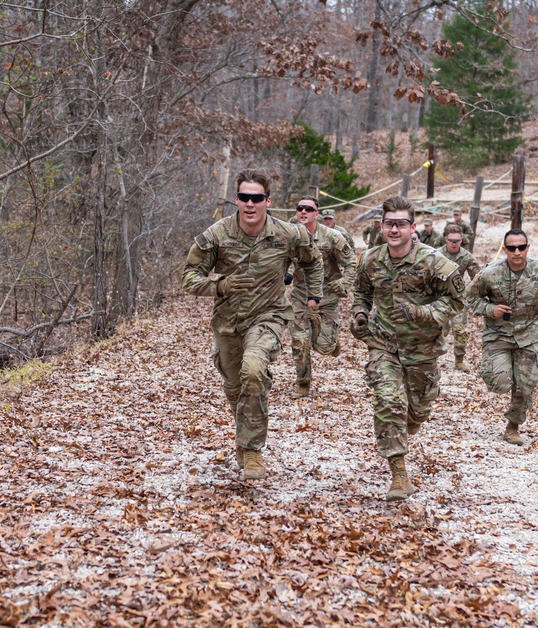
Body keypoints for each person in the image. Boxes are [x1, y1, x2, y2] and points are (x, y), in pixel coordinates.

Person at [183, 170, 324, 480]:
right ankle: (243, 432)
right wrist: (221, 285)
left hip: (269, 317)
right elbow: (189, 278)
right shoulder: (216, 235)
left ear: (267, 201)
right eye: (244, 197)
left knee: (254, 370)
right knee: (236, 387)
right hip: (228, 322)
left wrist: (314, 296)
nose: (250, 204)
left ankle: (252, 451)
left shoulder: (289, 234)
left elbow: (313, 261)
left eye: (256, 198)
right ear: (236, 200)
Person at [350, 196, 465, 501]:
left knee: (417, 411)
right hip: (383, 344)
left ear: (413, 228)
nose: (395, 229)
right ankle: (399, 474)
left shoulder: (435, 262)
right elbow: (361, 290)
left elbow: (456, 301)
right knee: (389, 400)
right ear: (382, 226)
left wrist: (422, 313)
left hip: (423, 349)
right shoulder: (370, 259)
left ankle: (406, 427)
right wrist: (360, 315)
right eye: (390, 224)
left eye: (401, 224)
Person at [466, 228, 538, 446]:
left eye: (521, 247)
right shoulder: (490, 273)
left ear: (527, 248)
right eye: (512, 248)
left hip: (528, 335)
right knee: (500, 383)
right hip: (498, 335)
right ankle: (496, 371)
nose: (517, 252)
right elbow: (470, 297)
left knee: (525, 385)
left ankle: (512, 427)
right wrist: (490, 309)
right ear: (504, 249)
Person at [287, 196, 356, 398]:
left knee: (324, 346)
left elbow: (352, 262)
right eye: (300, 208)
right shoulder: (291, 235)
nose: (303, 212)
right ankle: (303, 383)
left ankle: (331, 344)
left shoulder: (332, 237)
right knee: (300, 341)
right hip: (301, 293)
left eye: (308, 209)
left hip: (327, 295)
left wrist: (344, 283)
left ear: (316, 213)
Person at [438, 224, 481, 371]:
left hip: (458, 300)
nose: (454, 243)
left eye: (457, 240)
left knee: (460, 330)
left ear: (462, 239)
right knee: (437, 330)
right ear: (445, 239)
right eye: (451, 240)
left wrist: (468, 291)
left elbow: (477, 277)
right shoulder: (436, 255)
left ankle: (459, 361)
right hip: (439, 298)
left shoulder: (466, 256)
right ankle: (432, 358)